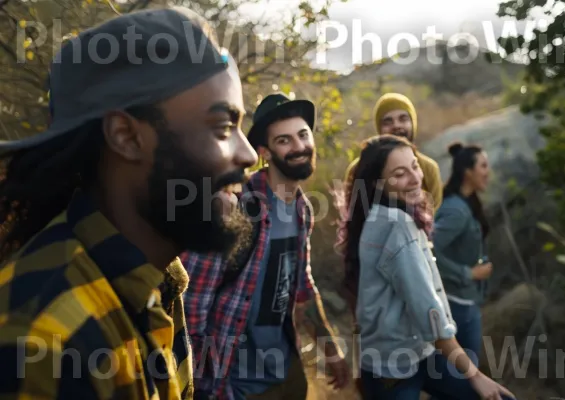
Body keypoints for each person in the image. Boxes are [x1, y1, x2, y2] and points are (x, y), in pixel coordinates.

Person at [0, 7, 257, 399]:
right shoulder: (46, 341)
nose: (250, 155)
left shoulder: (159, 280)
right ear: (126, 136)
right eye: (223, 127)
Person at [181, 93, 350, 400]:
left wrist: (330, 348)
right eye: (284, 141)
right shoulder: (233, 207)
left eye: (303, 135)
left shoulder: (302, 210)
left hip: (287, 372)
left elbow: (301, 287)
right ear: (265, 152)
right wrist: (197, 388)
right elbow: (191, 309)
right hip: (235, 385)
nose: (299, 147)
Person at [339, 134, 515, 400]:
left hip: (420, 354)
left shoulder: (385, 214)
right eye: (400, 173)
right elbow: (427, 310)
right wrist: (476, 376)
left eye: (415, 165)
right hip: (393, 368)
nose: (415, 178)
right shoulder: (395, 225)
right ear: (378, 183)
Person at [432, 142, 492, 369]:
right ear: (468, 172)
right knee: (462, 382)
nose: (488, 172)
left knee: (457, 381)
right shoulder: (456, 210)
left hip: (464, 302)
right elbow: (430, 248)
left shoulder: (466, 203)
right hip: (458, 305)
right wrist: (467, 273)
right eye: (483, 166)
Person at [343, 93, 443, 211]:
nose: (396, 125)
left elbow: (432, 217)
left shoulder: (429, 168)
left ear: (412, 123)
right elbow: (353, 214)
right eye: (388, 122)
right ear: (379, 129)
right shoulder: (359, 168)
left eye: (403, 119)